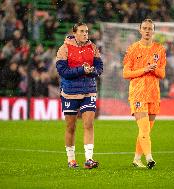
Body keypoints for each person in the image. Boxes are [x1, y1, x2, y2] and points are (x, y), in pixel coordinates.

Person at [56, 22, 103, 168]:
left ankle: (89, 159)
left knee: (88, 124)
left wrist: (92, 71)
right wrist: (81, 70)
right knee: (71, 126)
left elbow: (100, 68)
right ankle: (71, 160)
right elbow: (63, 72)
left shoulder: (93, 48)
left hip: (89, 90)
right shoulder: (64, 49)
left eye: (87, 32)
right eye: (82, 31)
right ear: (74, 33)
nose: (85, 34)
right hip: (70, 92)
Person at [123, 19, 166, 169]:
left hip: (154, 94)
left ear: (153, 31)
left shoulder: (160, 49)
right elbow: (126, 73)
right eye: (145, 28)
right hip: (138, 93)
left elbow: (162, 73)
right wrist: (144, 70)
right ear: (140, 30)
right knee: (145, 129)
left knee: (145, 130)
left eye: (150, 28)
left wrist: (153, 69)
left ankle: (136, 159)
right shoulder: (133, 49)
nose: (147, 31)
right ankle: (149, 158)